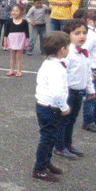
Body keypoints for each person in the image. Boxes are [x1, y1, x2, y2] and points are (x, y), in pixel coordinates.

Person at [32, 31, 70, 182]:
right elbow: (57, 93)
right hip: (49, 107)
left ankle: (46, 163)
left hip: (46, 106)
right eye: (68, 47)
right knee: (47, 138)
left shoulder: (51, 63)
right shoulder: (55, 68)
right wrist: (64, 107)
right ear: (62, 50)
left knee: (51, 137)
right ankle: (39, 168)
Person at [54, 20, 95, 160]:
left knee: (72, 120)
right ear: (68, 35)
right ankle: (59, 147)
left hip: (80, 92)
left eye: (84, 33)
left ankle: (68, 144)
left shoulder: (84, 52)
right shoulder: (68, 53)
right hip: (69, 93)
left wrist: (91, 89)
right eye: (77, 33)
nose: (81, 36)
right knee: (63, 121)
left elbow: (88, 72)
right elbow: (60, 74)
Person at [4, 4, 29, 77]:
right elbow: (6, 33)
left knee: (19, 56)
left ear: (21, 12)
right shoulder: (8, 21)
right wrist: (5, 41)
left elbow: (27, 33)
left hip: (20, 39)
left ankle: (19, 71)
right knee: (12, 56)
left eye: (16, 11)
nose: (14, 12)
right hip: (11, 39)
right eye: (13, 11)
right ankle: (12, 70)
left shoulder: (24, 22)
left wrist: (27, 41)